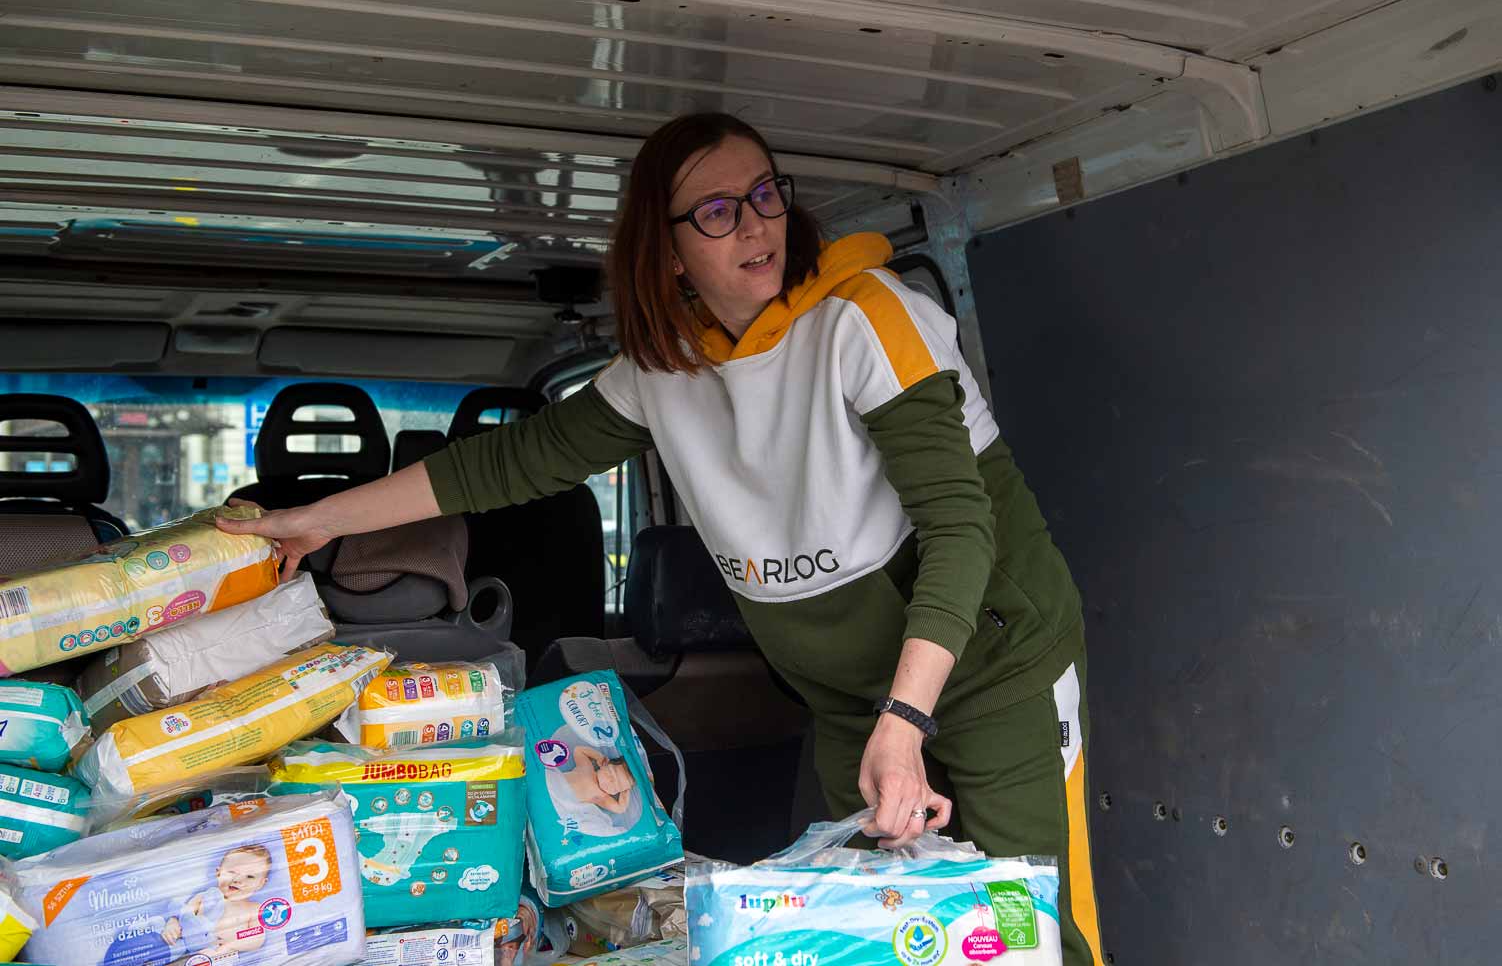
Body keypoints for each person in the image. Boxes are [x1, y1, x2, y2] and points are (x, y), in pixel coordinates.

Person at [220, 112, 1103, 965]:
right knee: (867, 926)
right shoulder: (663, 368)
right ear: (668, 248)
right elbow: (508, 465)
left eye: (764, 194)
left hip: (997, 670)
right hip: (854, 699)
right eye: (716, 212)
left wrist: (907, 721)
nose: (754, 223)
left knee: (1030, 925)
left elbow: (958, 526)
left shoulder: (866, 320)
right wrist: (311, 521)